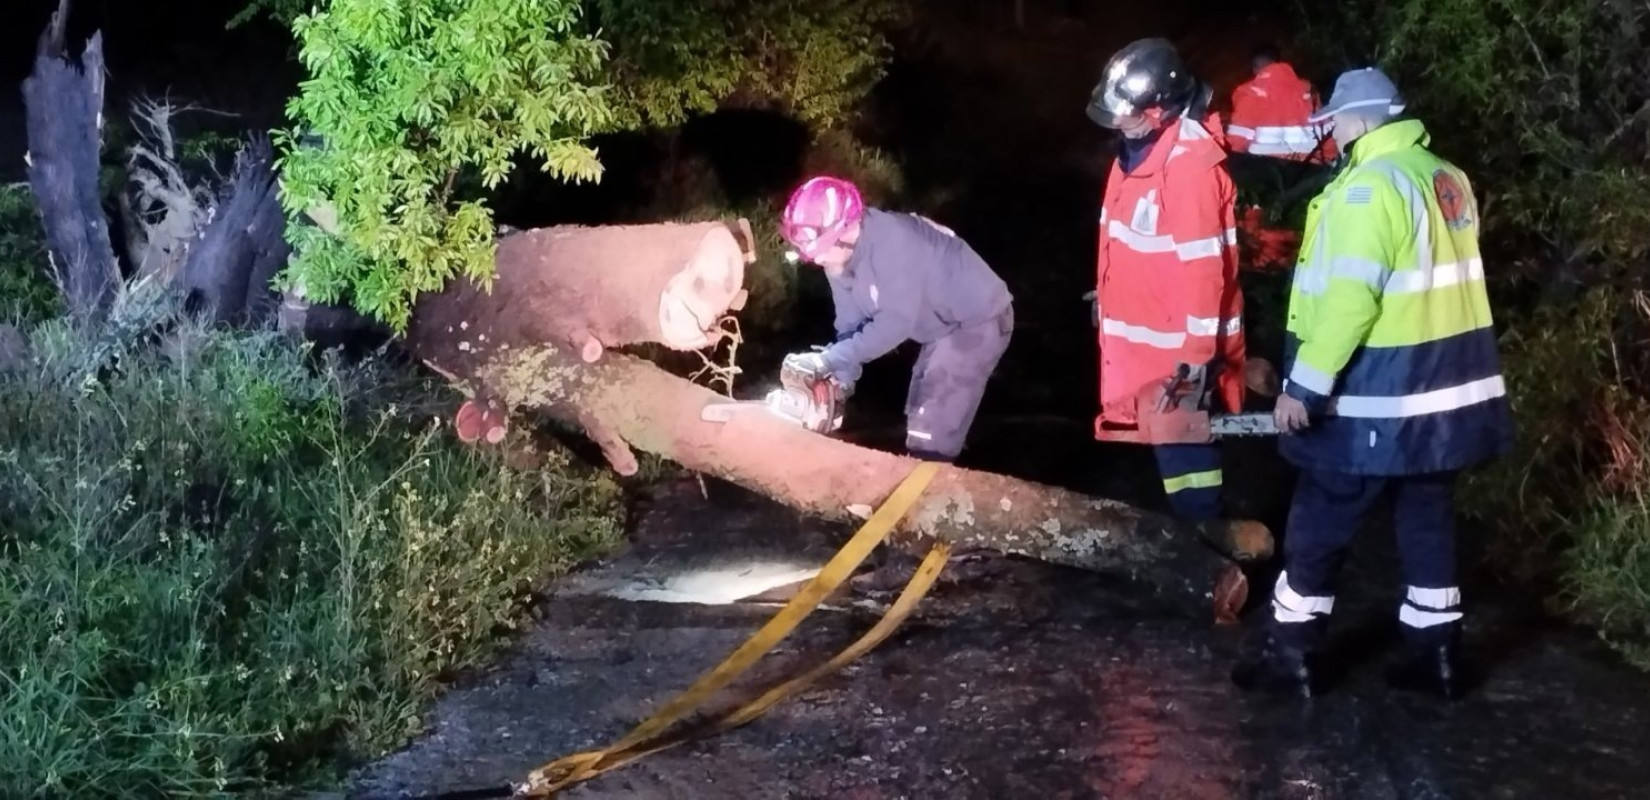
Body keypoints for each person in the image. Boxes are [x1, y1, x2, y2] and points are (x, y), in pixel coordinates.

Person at [1231, 68, 1514, 700]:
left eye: (1336, 122)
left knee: (1321, 517)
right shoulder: (1444, 177)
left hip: (1378, 394)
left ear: (1357, 120)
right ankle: (1438, 657)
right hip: (1447, 394)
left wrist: (1302, 389)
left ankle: (1292, 652)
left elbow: (1349, 301)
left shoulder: (1366, 190)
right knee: (1427, 516)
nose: (1332, 134)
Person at [1087, 38, 1246, 526]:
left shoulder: (1188, 170)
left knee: (1186, 457)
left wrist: (1195, 359)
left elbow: (1204, 271)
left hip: (1177, 353)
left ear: (1160, 110)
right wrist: (1108, 293)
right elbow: (1129, 238)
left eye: (1126, 115)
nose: (1117, 123)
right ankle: (1189, 540)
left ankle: (1207, 551)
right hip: (1145, 344)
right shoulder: (1137, 151)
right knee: (1167, 449)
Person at [778, 176, 1014, 463]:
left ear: (848, 228)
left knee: (934, 419)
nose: (816, 260)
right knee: (919, 407)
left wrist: (827, 360)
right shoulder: (836, 260)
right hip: (940, 329)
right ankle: (925, 480)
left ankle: (935, 493)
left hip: (977, 318)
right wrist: (839, 380)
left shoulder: (893, 241)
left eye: (821, 249)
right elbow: (849, 327)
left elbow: (894, 325)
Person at [1226, 43, 1335, 163]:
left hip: (1267, 176)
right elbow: (1327, 141)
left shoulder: (1250, 94)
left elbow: (1236, 144)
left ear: (1256, 67)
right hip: (1309, 172)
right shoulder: (1308, 91)